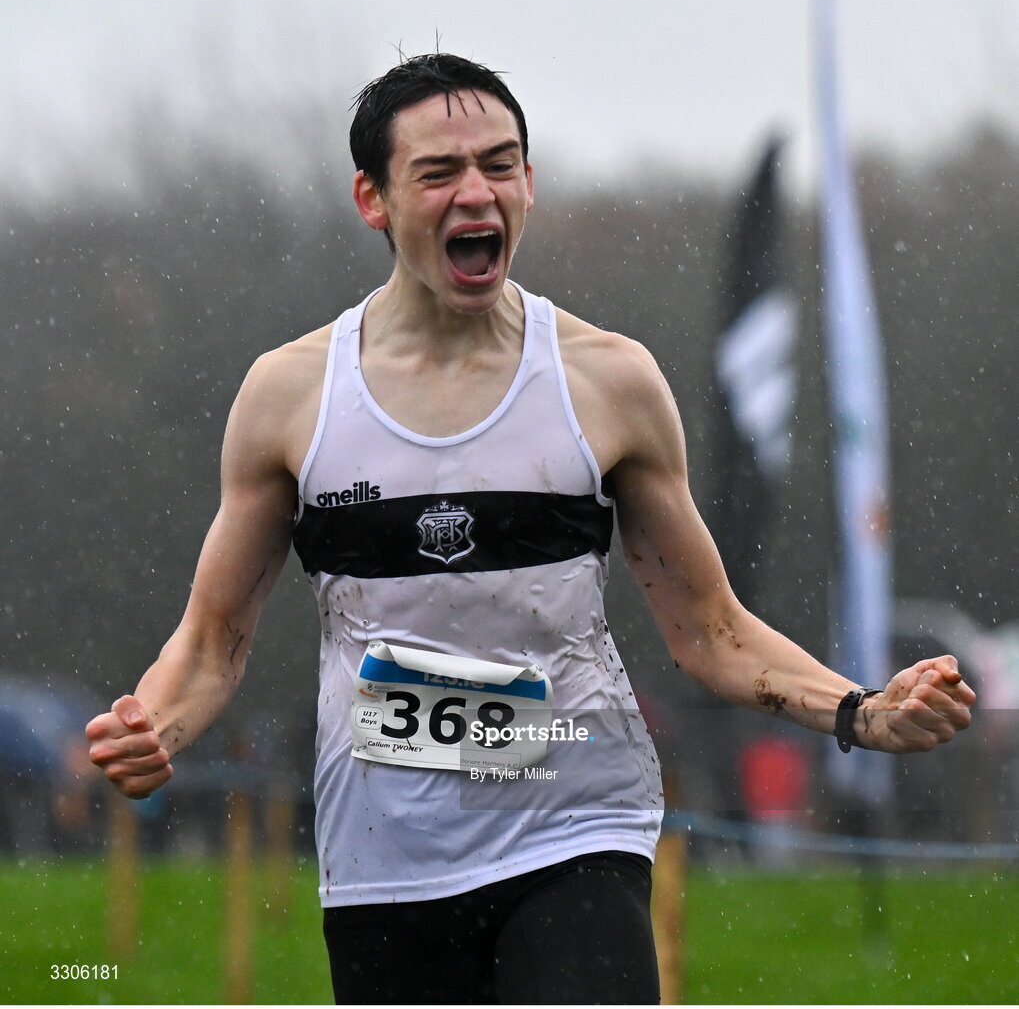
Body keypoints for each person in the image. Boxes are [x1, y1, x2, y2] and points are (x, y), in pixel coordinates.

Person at [86, 53, 975, 1004]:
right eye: (438, 172)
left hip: (576, 824)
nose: (477, 192)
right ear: (373, 199)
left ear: (527, 182)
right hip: (388, 851)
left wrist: (859, 710)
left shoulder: (607, 380)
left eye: (499, 164)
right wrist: (156, 727)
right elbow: (213, 640)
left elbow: (710, 629)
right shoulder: (291, 396)